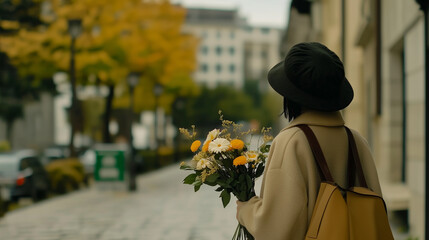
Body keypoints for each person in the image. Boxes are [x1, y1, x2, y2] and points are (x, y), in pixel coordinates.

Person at [235, 42, 383, 240]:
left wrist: (246, 208)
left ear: (291, 96)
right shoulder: (357, 141)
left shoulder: (292, 141)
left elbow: (276, 229)